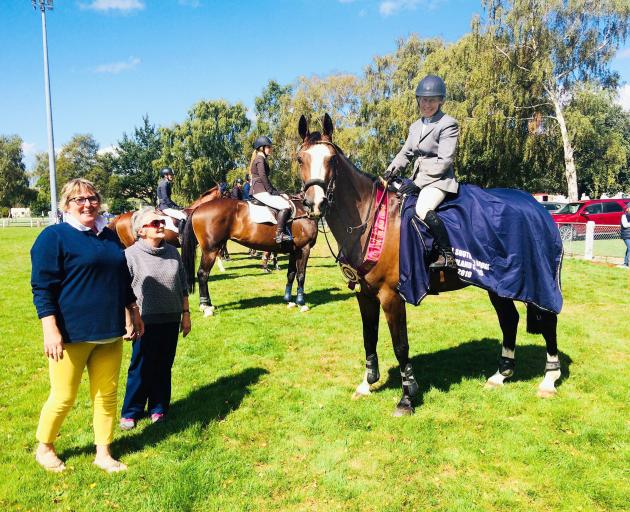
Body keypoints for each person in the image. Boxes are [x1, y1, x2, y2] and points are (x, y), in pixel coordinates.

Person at [30, 178, 144, 474]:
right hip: (71, 333)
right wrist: (50, 329)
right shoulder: (53, 236)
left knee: (106, 395)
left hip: (109, 330)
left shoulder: (108, 236)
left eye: (92, 198)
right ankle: (44, 447)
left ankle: (103, 453)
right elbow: (42, 287)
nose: (87, 204)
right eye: (79, 199)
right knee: (64, 396)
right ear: (66, 205)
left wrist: (133, 310)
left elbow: (121, 279)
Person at [119, 207, 191, 430]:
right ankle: (131, 411)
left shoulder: (172, 252)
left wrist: (186, 315)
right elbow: (123, 292)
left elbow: (183, 287)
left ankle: (158, 408)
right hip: (143, 321)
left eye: (161, 221)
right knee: (140, 366)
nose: (161, 225)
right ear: (141, 231)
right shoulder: (130, 255)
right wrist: (129, 321)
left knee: (163, 365)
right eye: (154, 223)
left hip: (170, 318)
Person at [384, 74, 459, 269]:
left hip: (439, 180)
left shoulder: (448, 123)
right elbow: (405, 153)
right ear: (418, 100)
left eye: (432, 100)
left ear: (441, 101)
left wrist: (417, 183)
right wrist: (390, 171)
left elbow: (444, 162)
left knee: (423, 208)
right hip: (417, 178)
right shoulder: (415, 126)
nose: (427, 104)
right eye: (424, 100)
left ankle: (447, 255)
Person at [250, 136, 293, 243]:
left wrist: (278, 192)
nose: (270, 149)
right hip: (260, 191)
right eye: (268, 147)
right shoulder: (260, 159)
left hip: (260, 190)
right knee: (285, 205)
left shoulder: (260, 159)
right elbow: (263, 177)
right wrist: (273, 191)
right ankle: (280, 234)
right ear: (261, 148)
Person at [156, 167, 187, 239]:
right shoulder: (164, 184)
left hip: (165, 205)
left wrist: (177, 206)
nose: (172, 176)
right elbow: (166, 199)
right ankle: (181, 236)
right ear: (165, 175)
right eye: (170, 175)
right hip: (165, 207)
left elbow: (169, 199)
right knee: (183, 217)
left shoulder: (165, 183)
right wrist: (174, 207)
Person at [619, 204, 630, 268]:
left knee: (628, 249)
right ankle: (627, 263)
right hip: (626, 235)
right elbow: (625, 225)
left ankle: (625, 263)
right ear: (627, 209)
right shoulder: (624, 216)